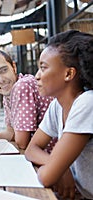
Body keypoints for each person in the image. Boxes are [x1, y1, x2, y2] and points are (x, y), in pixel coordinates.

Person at [24, 30, 93, 199]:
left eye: (43, 68)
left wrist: (57, 168)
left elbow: (46, 177)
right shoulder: (57, 105)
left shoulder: (87, 103)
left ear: (68, 74)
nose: (36, 76)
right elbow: (31, 149)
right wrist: (60, 167)